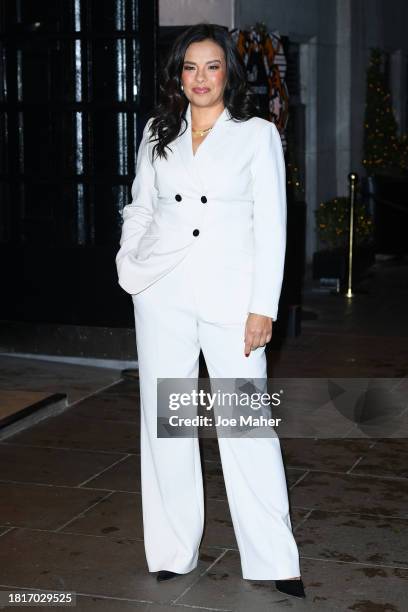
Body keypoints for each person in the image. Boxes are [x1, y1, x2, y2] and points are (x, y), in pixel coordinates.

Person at [115, 23, 305, 599]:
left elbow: (273, 228)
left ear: (229, 72)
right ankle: (173, 548)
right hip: (164, 292)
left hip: (231, 300)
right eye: (190, 68)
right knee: (169, 426)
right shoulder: (156, 131)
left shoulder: (255, 135)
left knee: (247, 426)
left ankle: (273, 559)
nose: (200, 78)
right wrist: (130, 257)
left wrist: (262, 307)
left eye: (212, 66)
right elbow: (140, 205)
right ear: (178, 74)